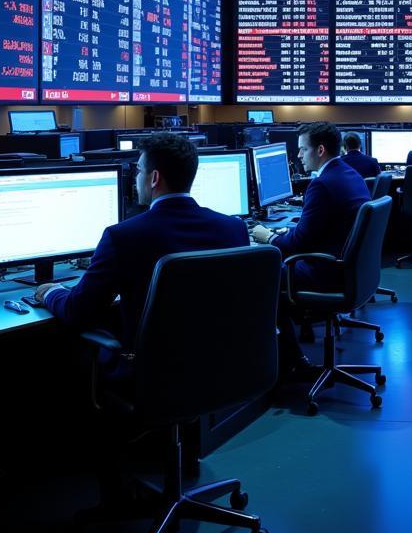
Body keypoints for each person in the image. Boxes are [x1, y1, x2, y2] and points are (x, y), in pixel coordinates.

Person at [37, 132, 251, 381]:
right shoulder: (234, 228)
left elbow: (78, 311)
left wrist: (52, 291)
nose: (135, 178)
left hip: (151, 371)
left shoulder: (122, 237)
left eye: (138, 170)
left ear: (154, 178)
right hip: (220, 363)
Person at [252, 122, 369, 293]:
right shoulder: (351, 174)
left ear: (320, 150)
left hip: (324, 274)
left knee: (260, 266)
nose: (299, 155)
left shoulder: (322, 185)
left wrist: (269, 237)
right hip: (350, 269)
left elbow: (298, 244)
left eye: (303, 149)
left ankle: (279, 320)